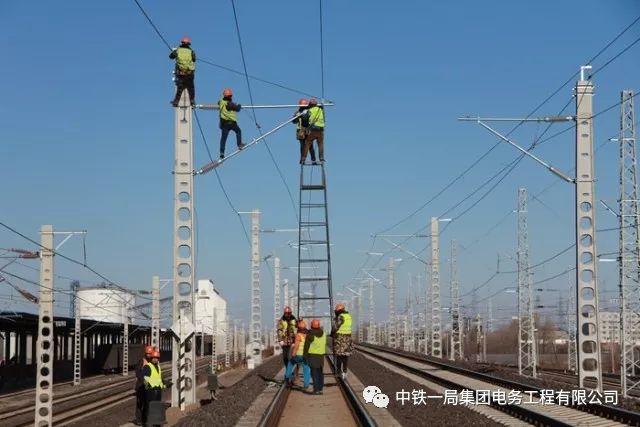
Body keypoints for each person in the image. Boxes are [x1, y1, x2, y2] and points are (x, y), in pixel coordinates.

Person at [218, 88, 246, 159]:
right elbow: (238, 109)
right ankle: (239, 144)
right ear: (230, 96)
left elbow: (219, 102)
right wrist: (239, 105)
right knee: (238, 131)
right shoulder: (230, 104)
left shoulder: (221, 101)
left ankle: (222, 153)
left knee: (223, 139)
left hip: (224, 124)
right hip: (232, 123)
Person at [169, 37, 196, 107]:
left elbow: (171, 57)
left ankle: (176, 102)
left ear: (182, 43)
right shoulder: (191, 51)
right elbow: (194, 59)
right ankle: (192, 101)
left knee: (179, 88)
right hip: (190, 73)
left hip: (181, 73)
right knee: (191, 88)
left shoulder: (178, 50)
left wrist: (174, 53)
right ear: (189, 44)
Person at [284, 320, 310, 389]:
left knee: (290, 363)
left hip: (299, 355)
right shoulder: (308, 335)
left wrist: (293, 354)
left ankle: (287, 378)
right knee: (306, 368)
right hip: (306, 355)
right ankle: (306, 384)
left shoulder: (298, 335)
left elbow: (296, 346)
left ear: (298, 328)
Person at [304, 319, 327, 395]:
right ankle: (320, 389)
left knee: (314, 374)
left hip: (313, 356)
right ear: (319, 326)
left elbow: (306, 347)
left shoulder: (310, 335)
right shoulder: (323, 334)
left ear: (311, 326)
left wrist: (305, 356)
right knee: (320, 373)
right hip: (321, 357)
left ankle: (316, 390)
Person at [143, 350, 166, 426]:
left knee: (156, 406)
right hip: (150, 391)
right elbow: (145, 378)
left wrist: (164, 385)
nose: (155, 359)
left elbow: (159, 378)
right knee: (149, 407)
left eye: (157, 358)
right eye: (154, 358)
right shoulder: (147, 366)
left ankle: (156, 422)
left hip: (158, 390)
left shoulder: (158, 367)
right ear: (151, 358)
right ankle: (149, 423)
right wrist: (147, 388)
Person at [331, 303, 353, 379]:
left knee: (339, 355)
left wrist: (332, 333)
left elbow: (335, 327)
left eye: (336, 309)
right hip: (348, 338)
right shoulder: (348, 316)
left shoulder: (341, 317)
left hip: (340, 338)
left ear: (339, 310)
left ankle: (339, 372)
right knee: (345, 355)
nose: (335, 310)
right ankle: (345, 371)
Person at [134, 345, 154, 426]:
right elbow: (138, 373)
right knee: (140, 403)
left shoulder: (153, 362)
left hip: (149, 387)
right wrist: (144, 381)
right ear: (145, 353)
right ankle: (139, 420)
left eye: (150, 354)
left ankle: (145, 419)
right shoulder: (141, 361)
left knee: (147, 403)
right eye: (147, 354)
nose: (149, 355)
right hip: (141, 386)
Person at [301, 98, 325, 164]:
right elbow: (324, 118)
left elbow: (305, 121)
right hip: (320, 130)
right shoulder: (320, 110)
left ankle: (303, 158)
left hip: (312, 130)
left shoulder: (309, 110)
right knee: (320, 145)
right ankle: (321, 158)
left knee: (307, 144)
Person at [292, 99, 316, 164]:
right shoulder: (297, 112)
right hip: (300, 130)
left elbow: (312, 119)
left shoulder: (309, 111)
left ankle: (313, 159)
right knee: (302, 146)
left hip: (308, 129)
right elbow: (293, 121)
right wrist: (297, 116)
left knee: (310, 146)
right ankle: (302, 159)